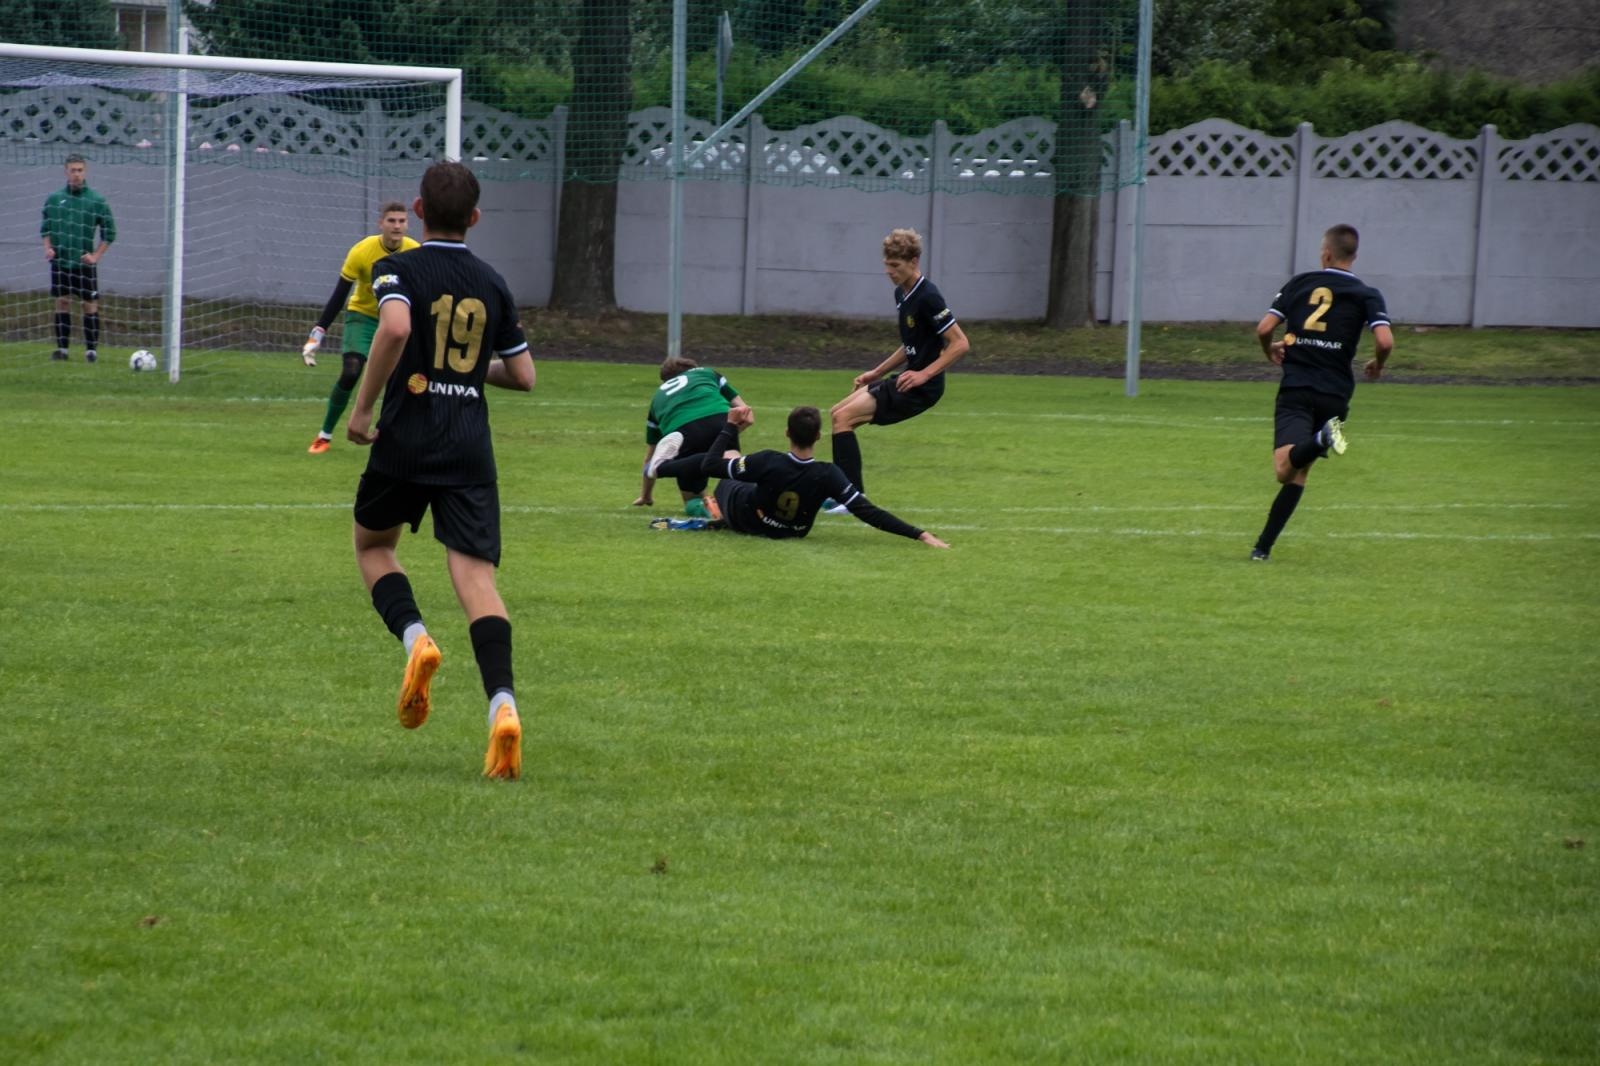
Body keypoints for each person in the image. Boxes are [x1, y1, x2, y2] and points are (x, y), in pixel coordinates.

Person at [345, 161, 536, 780]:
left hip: (408, 437)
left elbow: (397, 326)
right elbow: (525, 376)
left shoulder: (396, 264)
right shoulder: (493, 281)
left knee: (374, 546)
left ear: (419, 214)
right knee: (477, 580)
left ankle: (416, 639)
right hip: (469, 446)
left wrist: (364, 405)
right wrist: (465, 370)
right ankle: (502, 707)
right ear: (475, 219)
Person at [1249, 223, 1394, 561]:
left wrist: (1267, 349)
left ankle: (1318, 441)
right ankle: (1262, 548)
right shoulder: (1368, 294)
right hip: (1336, 393)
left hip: (1298, 386)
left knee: (1284, 469)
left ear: (1325, 253)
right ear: (1354, 256)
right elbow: (1385, 340)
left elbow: (1264, 328)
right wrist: (1379, 363)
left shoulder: (1301, 283)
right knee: (1299, 473)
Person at [650, 405, 949, 548]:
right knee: (756, 477)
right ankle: (716, 508)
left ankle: (667, 473)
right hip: (792, 531)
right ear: (819, 436)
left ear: (786, 434)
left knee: (730, 462)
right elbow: (866, 511)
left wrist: (730, 428)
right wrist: (920, 534)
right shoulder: (828, 473)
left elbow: (709, 465)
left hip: (747, 517)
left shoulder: (768, 460)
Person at [824, 227, 969, 511]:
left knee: (843, 418)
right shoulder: (901, 294)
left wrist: (924, 374)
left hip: (920, 387)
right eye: (887, 265)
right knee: (837, 414)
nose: (889, 272)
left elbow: (960, 344)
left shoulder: (928, 296)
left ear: (913, 262)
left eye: (895, 266)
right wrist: (876, 372)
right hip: (904, 379)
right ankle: (845, 493)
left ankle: (851, 498)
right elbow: (910, 344)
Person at [303, 202, 420, 454]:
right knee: (351, 371)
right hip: (363, 318)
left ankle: (390, 438)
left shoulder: (415, 252)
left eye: (402, 221)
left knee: (400, 381)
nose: (397, 226)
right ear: (381, 224)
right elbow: (339, 295)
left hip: (396, 321)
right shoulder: (362, 251)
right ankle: (325, 435)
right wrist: (318, 333)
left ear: (407, 224)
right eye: (392, 221)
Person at [632, 356, 751, 517]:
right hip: (720, 419)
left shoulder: (657, 400)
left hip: (683, 431)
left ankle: (711, 512)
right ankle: (744, 505)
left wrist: (646, 496)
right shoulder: (707, 373)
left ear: (664, 381)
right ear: (693, 369)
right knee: (734, 470)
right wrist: (728, 433)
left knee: (693, 501)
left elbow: (650, 456)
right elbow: (744, 411)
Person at [41, 154, 116, 363]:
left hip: (83, 263)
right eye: (73, 170)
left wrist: (96, 256)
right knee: (62, 302)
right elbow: (45, 228)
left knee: (89, 304)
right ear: (66, 172)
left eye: (80, 170)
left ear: (85, 172)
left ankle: (91, 351)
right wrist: (48, 248)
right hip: (61, 262)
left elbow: (110, 232)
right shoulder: (55, 199)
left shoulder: (96, 200)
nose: (77, 174)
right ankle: (62, 350)